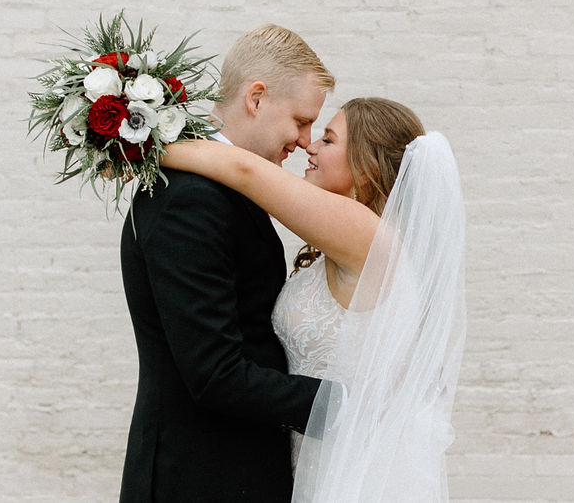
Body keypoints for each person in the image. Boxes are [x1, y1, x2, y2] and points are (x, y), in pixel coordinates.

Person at [160, 97, 467, 502]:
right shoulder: (352, 244)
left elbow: (245, 170)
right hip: (319, 460)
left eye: (328, 139)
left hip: (355, 473)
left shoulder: (367, 234)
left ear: (366, 166)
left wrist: (143, 147)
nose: (310, 146)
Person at [118, 24, 336, 502]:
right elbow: (215, 373)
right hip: (199, 475)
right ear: (256, 99)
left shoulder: (224, 185)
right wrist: (345, 407)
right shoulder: (189, 200)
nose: (304, 140)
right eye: (301, 120)